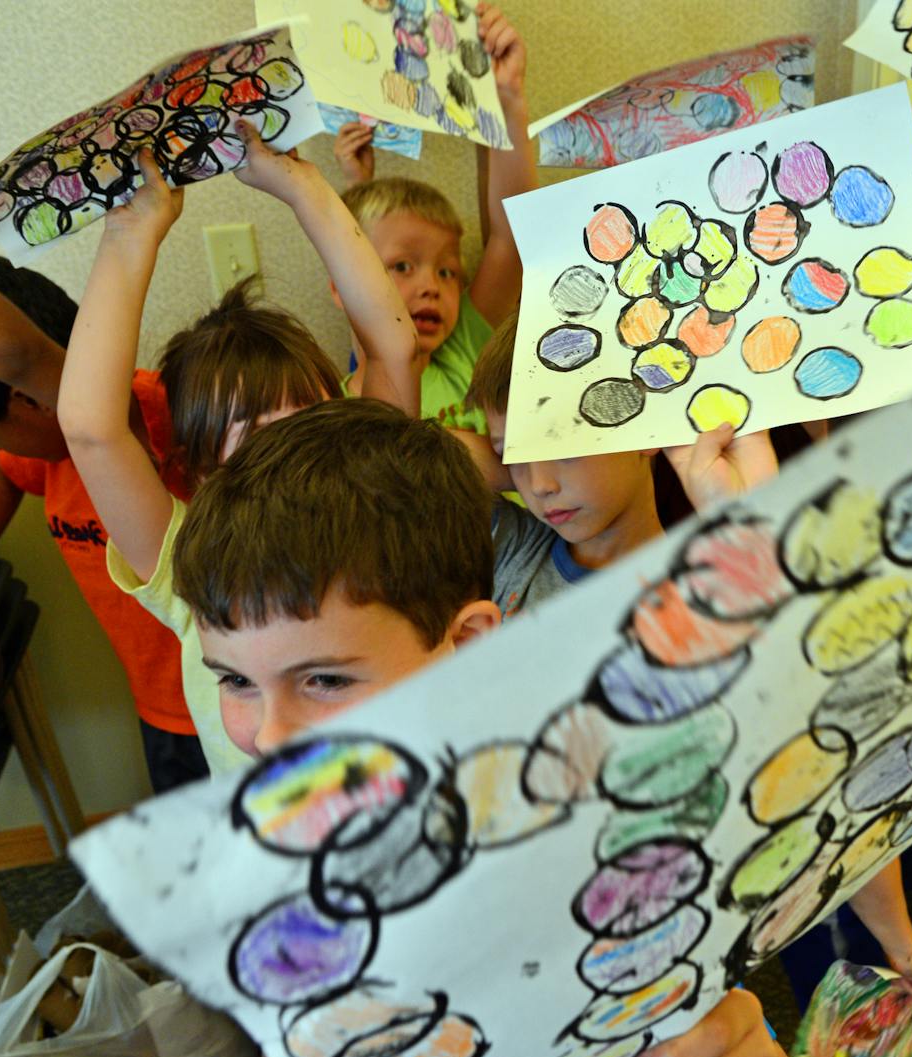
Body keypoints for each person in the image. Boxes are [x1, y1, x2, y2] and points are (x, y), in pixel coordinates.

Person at [169, 397, 807, 1057]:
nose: (267, 737)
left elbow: (714, 1048)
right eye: (235, 680)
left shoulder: (595, 865)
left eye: (323, 679)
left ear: (466, 644)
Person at [56, 126, 415, 775]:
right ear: (198, 470)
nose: (290, 446)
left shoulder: (379, 500)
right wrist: (130, 237)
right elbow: (89, 427)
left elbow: (389, 343)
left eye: (306, 416)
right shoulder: (192, 563)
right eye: (253, 432)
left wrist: (303, 187)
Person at [0, 252, 201, 791]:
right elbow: (1, 475)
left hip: (239, 703)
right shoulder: (48, 454)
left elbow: (18, 355)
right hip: (161, 713)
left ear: (31, 401)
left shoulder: (170, 421)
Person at [336, 2, 537, 435]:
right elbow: (352, 270)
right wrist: (356, 190)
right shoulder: (337, 411)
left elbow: (512, 235)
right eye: (403, 267)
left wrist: (508, 99)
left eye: (448, 272)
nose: (431, 286)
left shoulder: (465, 345)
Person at [463, 313, 668, 616]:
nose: (539, 485)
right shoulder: (515, 548)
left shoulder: (698, 591)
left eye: (558, 441)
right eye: (512, 457)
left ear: (641, 425)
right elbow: (415, 454)